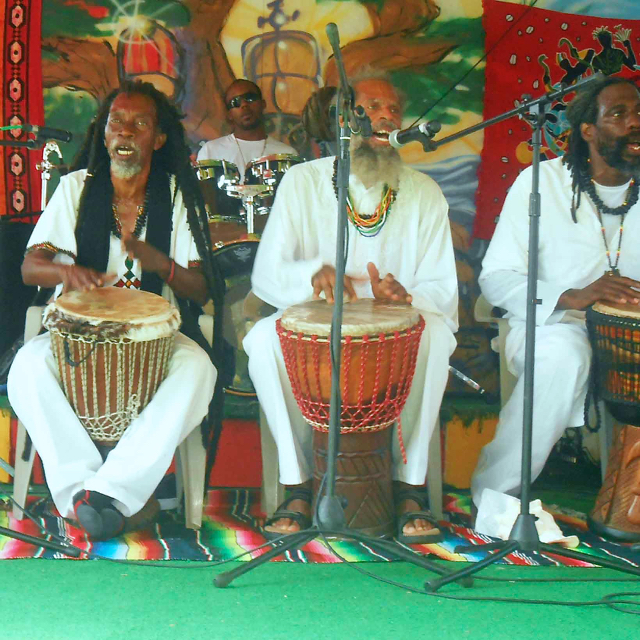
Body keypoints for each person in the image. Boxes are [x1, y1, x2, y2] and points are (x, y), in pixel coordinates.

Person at [243, 72, 459, 541]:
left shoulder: (423, 191)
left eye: (394, 110)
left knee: (437, 337)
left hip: (398, 328)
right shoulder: (302, 182)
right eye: (373, 108)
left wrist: (405, 297)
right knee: (262, 340)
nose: (387, 117)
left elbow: (442, 287)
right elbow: (266, 274)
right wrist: (311, 277)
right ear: (344, 118)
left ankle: (410, 487)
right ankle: (296, 483)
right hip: (314, 324)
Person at [7, 80, 219, 541]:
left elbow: (201, 288)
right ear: (104, 134)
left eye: (139, 123)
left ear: (158, 139)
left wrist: (158, 261)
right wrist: (67, 275)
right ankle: (90, 493)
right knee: (26, 367)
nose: (124, 132)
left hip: (156, 336)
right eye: (115, 122)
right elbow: (30, 267)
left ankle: (105, 495)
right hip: (75, 336)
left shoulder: (178, 194)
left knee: (199, 369)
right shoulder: (75, 189)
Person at [471, 76, 640, 506]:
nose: (635, 122)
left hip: (633, 334)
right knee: (564, 357)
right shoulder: (540, 183)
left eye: (639, 113)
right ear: (588, 130)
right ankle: (498, 497)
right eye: (619, 114)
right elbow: (497, 276)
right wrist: (570, 296)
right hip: (557, 325)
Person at [197, 79, 297, 182]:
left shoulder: (286, 155)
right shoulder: (210, 151)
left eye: (250, 98)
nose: (244, 105)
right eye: (235, 102)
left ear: (263, 104)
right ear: (229, 114)